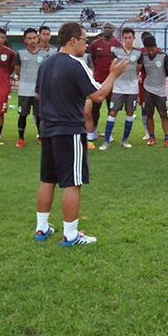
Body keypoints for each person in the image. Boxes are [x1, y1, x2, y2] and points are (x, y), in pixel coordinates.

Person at [33, 22, 128, 246]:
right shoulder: (76, 64)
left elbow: (38, 95)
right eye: (84, 40)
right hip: (69, 130)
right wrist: (114, 74)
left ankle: (41, 228)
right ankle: (71, 235)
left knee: (48, 180)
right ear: (73, 40)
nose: (86, 44)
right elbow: (98, 95)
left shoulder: (46, 64)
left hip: (47, 128)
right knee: (72, 183)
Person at [99, 27, 140, 150]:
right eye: (125, 38)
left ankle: (125, 140)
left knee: (130, 113)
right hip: (118, 87)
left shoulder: (138, 53)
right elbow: (113, 67)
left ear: (134, 38)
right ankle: (106, 141)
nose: (128, 40)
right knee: (112, 112)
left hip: (132, 88)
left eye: (130, 38)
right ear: (122, 38)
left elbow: (138, 69)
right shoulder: (116, 51)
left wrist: (132, 79)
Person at [14, 28, 53, 147]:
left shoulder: (45, 54)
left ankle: (41, 137)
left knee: (39, 115)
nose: (32, 40)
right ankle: (21, 138)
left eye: (34, 38)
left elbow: (47, 71)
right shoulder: (20, 53)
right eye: (29, 38)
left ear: (38, 38)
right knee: (23, 115)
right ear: (25, 40)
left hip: (39, 90)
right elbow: (17, 70)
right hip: (24, 90)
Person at [88, 22, 122, 148]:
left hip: (112, 81)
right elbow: (90, 59)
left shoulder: (117, 45)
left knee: (111, 108)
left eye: (109, 28)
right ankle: (94, 129)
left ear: (113, 30)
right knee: (95, 107)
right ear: (102, 30)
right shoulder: (95, 44)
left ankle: (109, 132)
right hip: (98, 81)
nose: (107, 30)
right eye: (105, 28)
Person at [136, 35, 168, 147]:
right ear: (145, 48)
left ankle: (167, 137)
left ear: (156, 46)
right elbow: (140, 70)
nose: (151, 52)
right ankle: (151, 137)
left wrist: (159, 80)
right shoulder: (143, 56)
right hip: (148, 90)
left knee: (163, 114)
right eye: (148, 49)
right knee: (149, 114)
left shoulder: (163, 56)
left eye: (153, 49)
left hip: (160, 90)